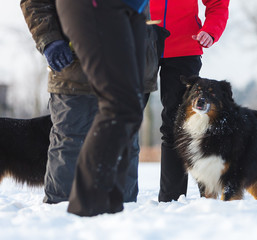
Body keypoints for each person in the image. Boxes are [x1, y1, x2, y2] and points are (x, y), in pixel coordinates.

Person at [20, 0, 155, 205]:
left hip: (128, 64)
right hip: (74, 66)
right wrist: (49, 39)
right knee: (70, 139)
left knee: (124, 137)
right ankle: (61, 212)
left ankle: (123, 213)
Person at [55, 0, 149, 216]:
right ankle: (88, 209)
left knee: (131, 110)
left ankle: (108, 210)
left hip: (135, 8)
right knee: (120, 105)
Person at [149, 0, 230, 202]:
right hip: (139, 44)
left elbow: (218, 3)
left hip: (184, 48)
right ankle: (122, 197)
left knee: (176, 126)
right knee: (125, 121)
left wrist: (211, 30)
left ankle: (172, 199)